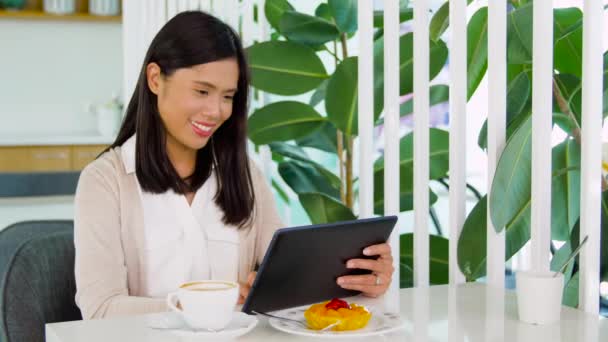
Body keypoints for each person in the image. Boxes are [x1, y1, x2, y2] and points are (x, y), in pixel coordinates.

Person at [73, 11, 394, 320]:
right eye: (202, 91)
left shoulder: (245, 175)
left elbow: (290, 279)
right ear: (156, 79)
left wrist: (363, 281)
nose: (216, 111)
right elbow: (101, 310)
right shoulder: (106, 181)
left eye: (228, 96)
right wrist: (210, 303)